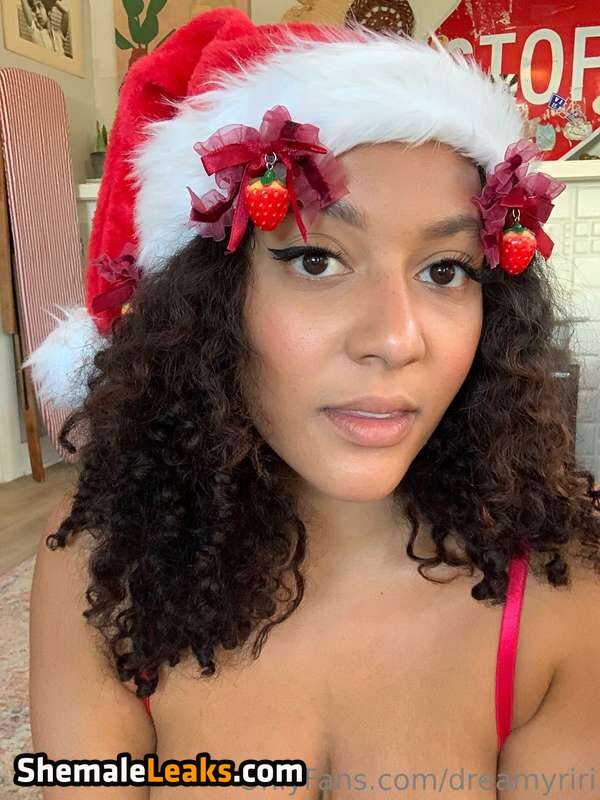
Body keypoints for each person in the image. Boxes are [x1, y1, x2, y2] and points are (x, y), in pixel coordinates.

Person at [25, 7, 600, 799]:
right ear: (209, 303)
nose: (395, 340)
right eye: (316, 259)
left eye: (445, 270)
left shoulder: (563, 596)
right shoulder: (104, 560)